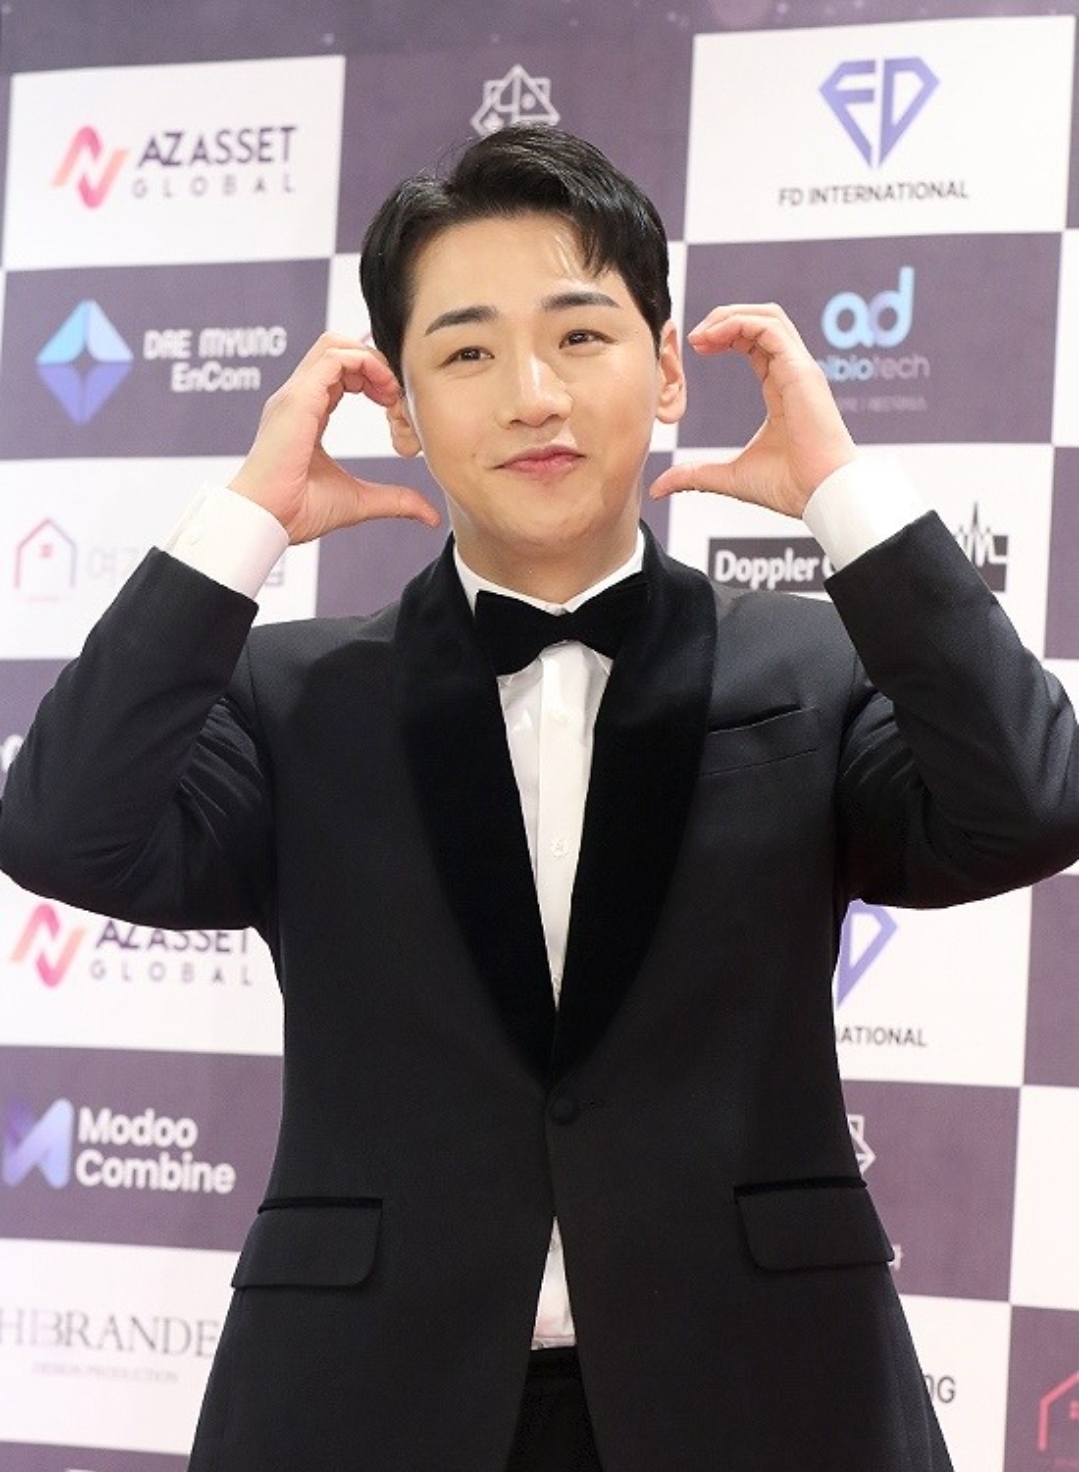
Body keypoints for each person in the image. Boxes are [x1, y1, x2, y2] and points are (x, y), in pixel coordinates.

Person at [1, 124, 1077, 1472]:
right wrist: (244, 522)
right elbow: (62, 828)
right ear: (398, 409)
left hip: (772, 1392)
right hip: (365, 1402)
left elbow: (1029, 801)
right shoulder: (292, 696)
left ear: (668, 366)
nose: (532, 395)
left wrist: (846, 500)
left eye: (580, 335)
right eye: (465, 354)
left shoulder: (812, 664)